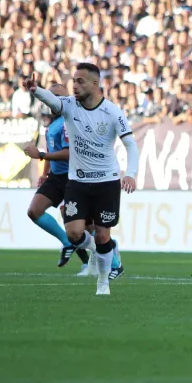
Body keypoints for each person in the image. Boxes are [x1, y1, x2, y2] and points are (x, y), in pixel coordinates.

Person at [27, 63, 140, 296]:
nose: (75, 86)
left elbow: (130, 143)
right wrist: (35, 89)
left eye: (80, 81)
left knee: (102, 235)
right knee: (74, 233)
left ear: (95, 84)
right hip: (77, 182)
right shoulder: (69, 106)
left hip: (107, 182)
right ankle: (97, 257)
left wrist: (131, 173)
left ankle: (102, 282)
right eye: (74, 81)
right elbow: (52, 100)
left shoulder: (112, 112)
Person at [23, 85, 124, 278]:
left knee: (84, 227)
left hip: (73, 177)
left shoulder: (69, 120)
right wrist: (45, 171)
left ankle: (112, 260)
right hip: (56, 177)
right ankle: (70, 244)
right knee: (34, 211)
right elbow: (52, 146)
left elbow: (70, 153)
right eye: (50, 97)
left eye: (57, 97)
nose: (53, 101)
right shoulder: (52, 123)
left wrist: (42, 155)